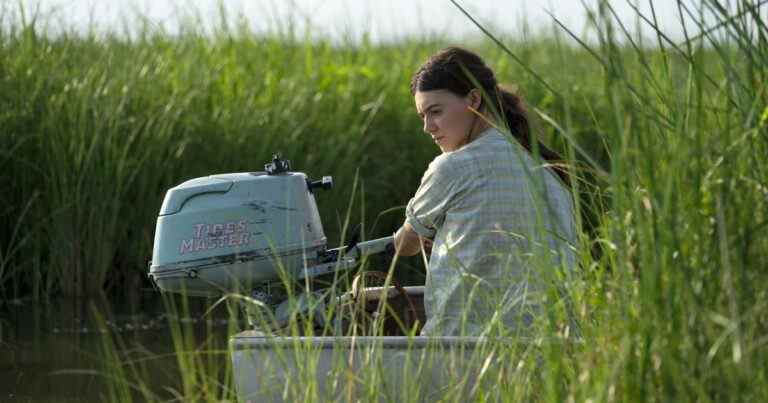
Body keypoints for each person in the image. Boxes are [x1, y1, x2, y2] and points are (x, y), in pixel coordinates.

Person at [393, 47, 577, 337]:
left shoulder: (451, 168)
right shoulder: (548, 170)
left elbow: (404, 246)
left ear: (474, 100)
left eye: (435, 111)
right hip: (555, 344)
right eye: (422, 117)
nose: (428, 127)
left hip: (467, 348)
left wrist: (420, 237)